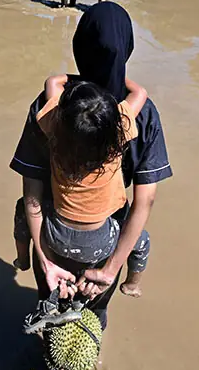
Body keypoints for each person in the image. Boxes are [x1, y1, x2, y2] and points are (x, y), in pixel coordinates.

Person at [10, 2, 172, 329]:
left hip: (50, 236)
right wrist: (113, 268)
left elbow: (31, 189)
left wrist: (41, 256)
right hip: (108, 242)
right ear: (127, 48)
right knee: (94, 315)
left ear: (78, 45)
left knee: (50, 309)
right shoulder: (136, 116)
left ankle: (52, 367)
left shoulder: (53, 110)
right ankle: (127, 290)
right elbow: (146, 200)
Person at [14, 74, 148, 329]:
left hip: (55, 236)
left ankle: (22, 258)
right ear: (115, 127)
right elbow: (140, 93)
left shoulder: (54, 130)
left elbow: (52, 82)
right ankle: (132, 284)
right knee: (141, 241)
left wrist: (79, 76)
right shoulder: (116, 139)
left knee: (24, 207)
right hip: (101, 242)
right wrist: (113, 74)